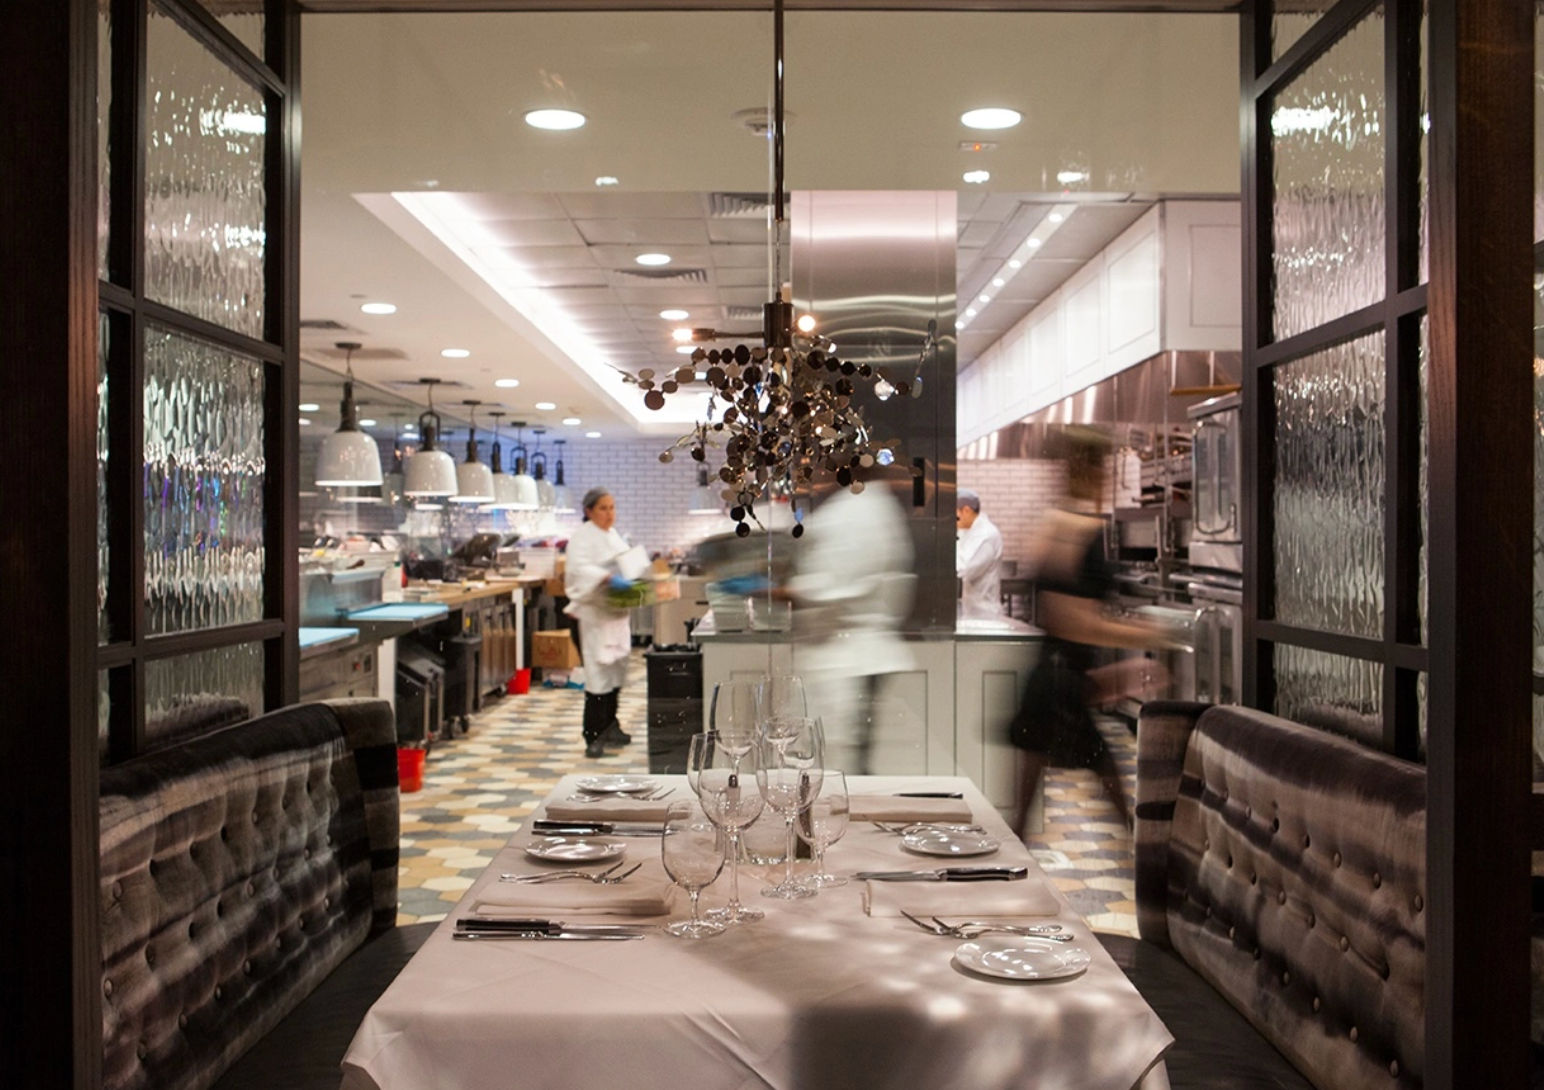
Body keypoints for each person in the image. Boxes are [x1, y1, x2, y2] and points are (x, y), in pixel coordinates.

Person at [1007, 427, 1169, 839]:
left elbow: (1060, 616)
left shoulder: (1055, 521)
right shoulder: (1075, 527)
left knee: (1033, 796)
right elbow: (1071, 620)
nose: (1108, 476)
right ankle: (1144, 862)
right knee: (1104, 774)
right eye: (1105, 467)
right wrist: (1149, 637)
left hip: (1054, 674)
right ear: (1093, 469)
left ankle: (1141, 859)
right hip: (1062, 680)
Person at [784, 473, 916, 774]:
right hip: (852, 656)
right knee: (843, 764)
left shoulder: (856, 513)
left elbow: (830, 586)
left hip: (846, 659)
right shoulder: (870, 506)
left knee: (837, 768)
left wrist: (771, 589)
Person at [564, 487, 634, 759]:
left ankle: (610, 725)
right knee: (597, 675)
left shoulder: (613, 535)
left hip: (615, 616)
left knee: (617, 671)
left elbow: (628, 562)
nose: (609, 513)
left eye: (612, 507)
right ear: (589, 511)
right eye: (603, 508)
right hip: (594, 616)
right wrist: (605, 578)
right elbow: (578, 570)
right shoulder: (582, 538)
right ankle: (593, 735)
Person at [955, 488, 1004, 619]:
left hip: (985, 615)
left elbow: (963, 569)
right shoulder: (969, 531)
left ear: (966, 510)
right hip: (971, 610)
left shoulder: (986, 535)